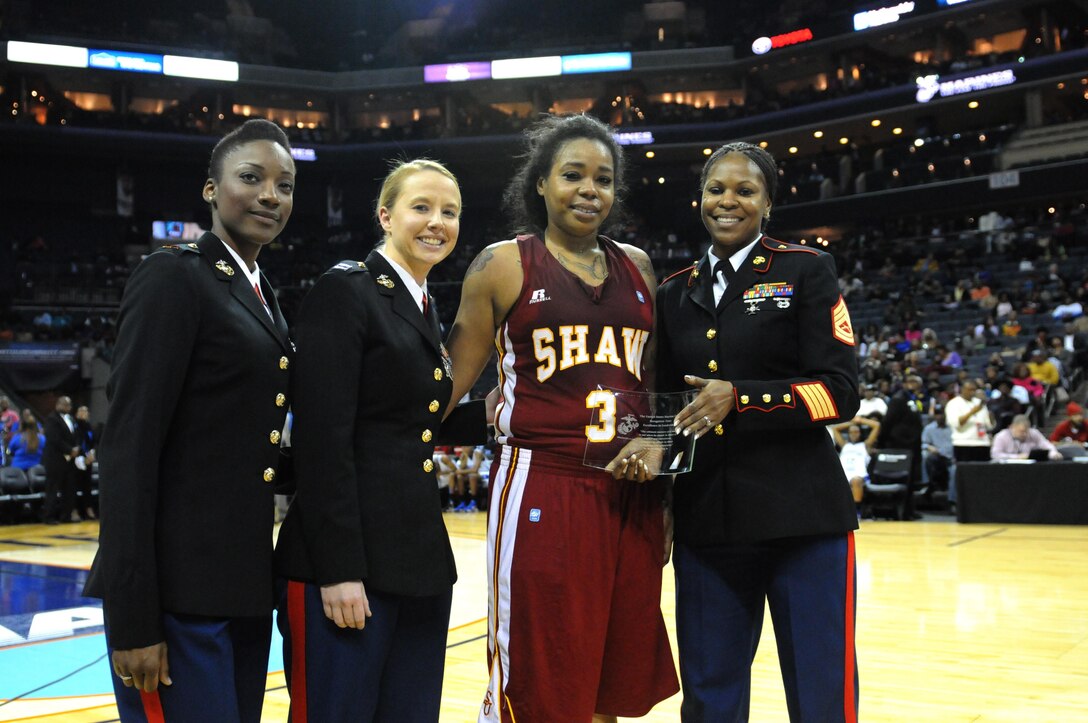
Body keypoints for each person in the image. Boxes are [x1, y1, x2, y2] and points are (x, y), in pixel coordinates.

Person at [445, 114, 679, 722]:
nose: (588, 190)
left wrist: (663, 476)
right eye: (572, 175)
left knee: (611, 675)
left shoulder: (639, 268)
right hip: (542, 483)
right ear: (542, 183)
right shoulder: (503, 264)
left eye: (603, 179)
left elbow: (655, 385)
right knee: (539, 672)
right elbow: (447, 383)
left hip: (632, 493)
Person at [82, 118, 296, 721]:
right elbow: (128, 450)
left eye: (285, 185)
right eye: (250, 178)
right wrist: (134, 617)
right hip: (173, 602)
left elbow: (242, 448)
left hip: (241, 588)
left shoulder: (260, 292)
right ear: (211, 190)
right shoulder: (174, 276)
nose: (269, 195)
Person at [655, 141, 860, 720]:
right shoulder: (673, 292)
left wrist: (741, 399)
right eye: (717, 189)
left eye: (745, 190)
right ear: (699, 198)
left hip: (804, 520)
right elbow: (669, 407)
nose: (728, 201)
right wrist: (662, 498)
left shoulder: (805, 269)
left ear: (767, 202)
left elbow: (839, 392)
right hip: (708, 523)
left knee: (822, 688)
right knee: (708, 691)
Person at [274, 159, 484, 722]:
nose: (437, 222)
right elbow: (322, 441)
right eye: (421, 207)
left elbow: (414, 420)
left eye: (450, 211)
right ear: (386, 216)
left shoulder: (422, 304)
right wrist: (340, 569)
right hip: (348, 566)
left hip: (416, 560)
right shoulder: (346, 291)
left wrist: (525, 411)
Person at [878, 374, 925, 519]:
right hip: (899, 446)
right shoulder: (898, 399)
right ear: (904, 383)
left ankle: (909, 510)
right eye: (911, 381)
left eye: (917, 382)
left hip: (913, 446)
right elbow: (887, 422)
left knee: (911, 480)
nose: (914, 384)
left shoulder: (914, 399)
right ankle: (900, 512)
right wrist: (881, 444)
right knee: (902, 479)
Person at [40, 396, 81, 524]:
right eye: (64, 404)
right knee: (53, 488)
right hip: (55, 459)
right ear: (58, 405)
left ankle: (66, 516)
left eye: (69, 405)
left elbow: (76, 436)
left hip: (70, 460)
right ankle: (49, 517)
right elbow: (54, 439)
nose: (67, 407)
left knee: (69, 488)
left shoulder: (71, 419)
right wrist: (70, 450)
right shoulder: (51, 419)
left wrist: (77, 448)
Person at [831, 416, 881, 505]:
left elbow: (876, 425)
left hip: (859, 474)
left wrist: (861, 421)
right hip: (843, 473)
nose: (854, 434)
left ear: (860, 433)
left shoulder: (865, 445)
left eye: (856, 432)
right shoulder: (844, 445)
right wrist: (852, 423)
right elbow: (835, 428)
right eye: (851, 432)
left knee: (855, 481)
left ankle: (857, 510)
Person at [945, 380, 995, 462]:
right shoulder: (953, 403)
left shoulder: (979, 402)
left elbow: (988, 425)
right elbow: (956, 424)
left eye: (974, 390)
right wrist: (972, 412)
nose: (972, 392)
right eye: (969, 389)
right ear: (962, 389)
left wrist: (991, 416)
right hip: (963, 444)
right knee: (965, 473)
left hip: (982, 443)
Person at [921, 407, 956, 507]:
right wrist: (929, 447)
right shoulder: (929, 428)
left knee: (954, 470)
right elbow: (923, 443)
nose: (940, 416)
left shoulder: (953, 427)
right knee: (924, 455)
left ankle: (952, 502)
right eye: (937, 414)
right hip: (936, 456)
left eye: (942, 414)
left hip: (951, 457)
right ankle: (927, 484)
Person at [990, 414, 1063, 460]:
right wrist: (1017, 457)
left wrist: (1053, 453)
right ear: (1012, 427)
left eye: (1026, 431)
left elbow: (1046, 445)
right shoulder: (1001, 436)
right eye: (1021, 431)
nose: (1024, 434)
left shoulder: (1033, 433)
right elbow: (995, 454)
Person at [72, 404, 97, 520]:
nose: (84, 413)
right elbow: (76, 442)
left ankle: (89, 508)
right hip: (77, 461)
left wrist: (92, 453)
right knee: (76, 486)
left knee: (87, 487)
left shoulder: (89, 427)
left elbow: (93, 442)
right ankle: (76, 509)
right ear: (77, 414)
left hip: (88, 460)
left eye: (86, 411)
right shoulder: (75, 426)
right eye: (81, 411)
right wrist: (81, 456)